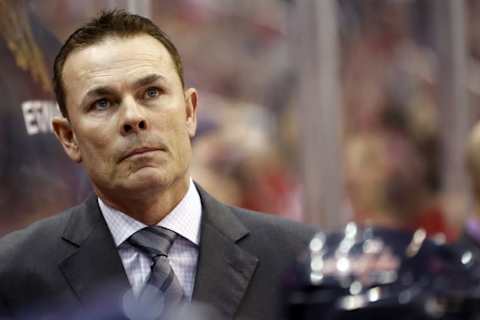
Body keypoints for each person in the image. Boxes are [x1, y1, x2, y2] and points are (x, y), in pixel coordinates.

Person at [0, 10, 316, 320]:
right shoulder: (13, 274)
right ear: (68, 137)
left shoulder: (297, 256)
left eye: (151, 92)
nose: (133, 118)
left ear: (190, 112)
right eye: (102, 103)